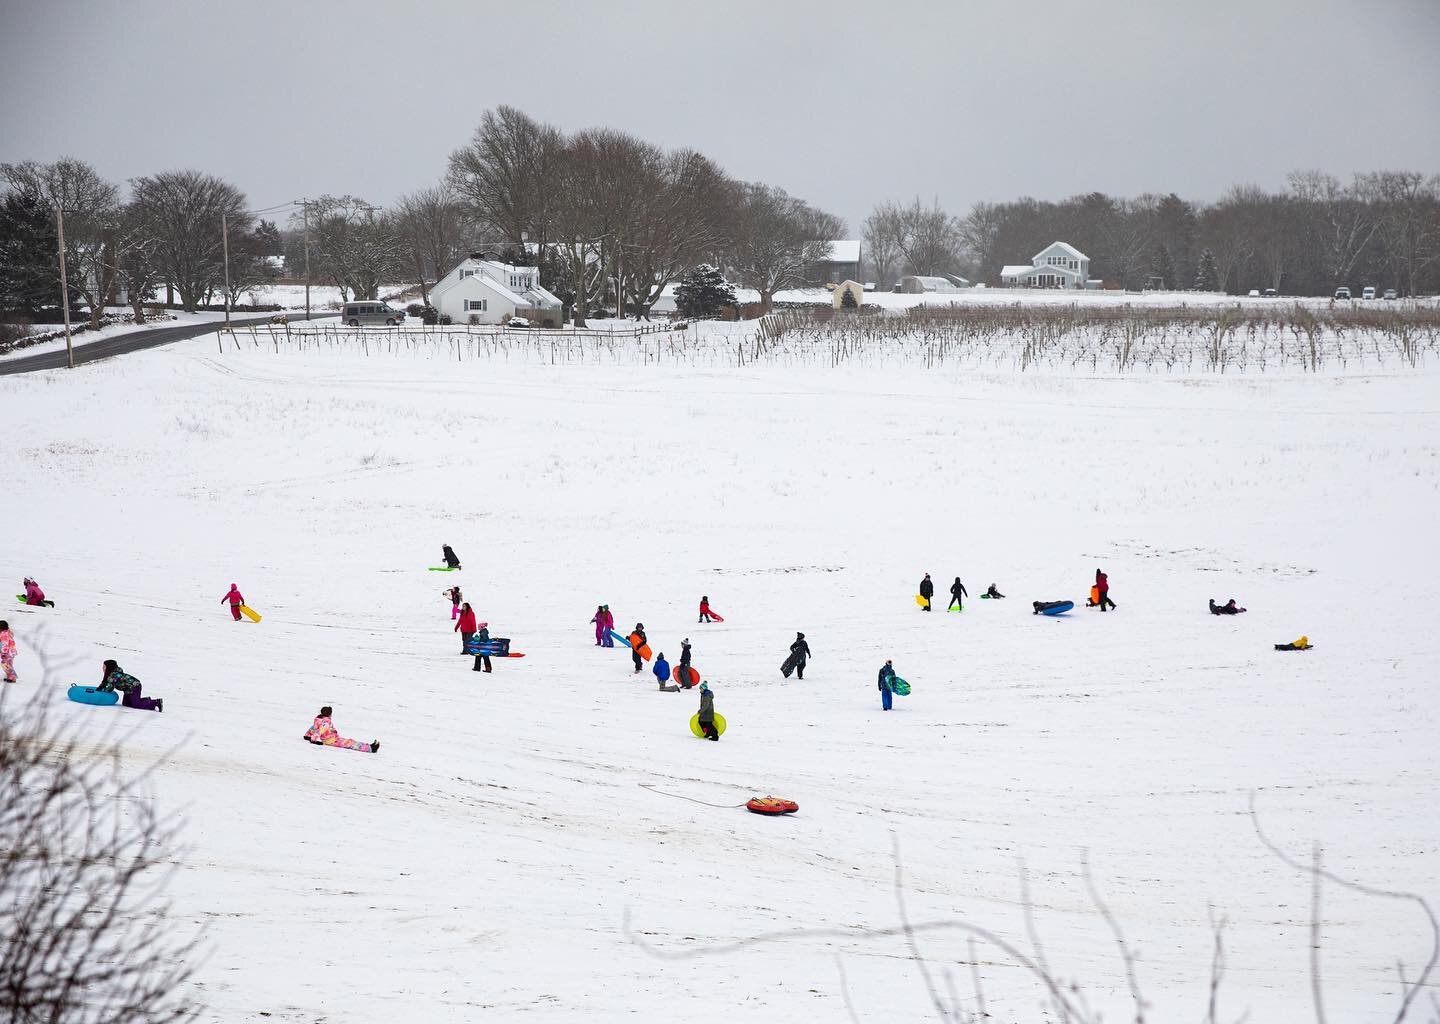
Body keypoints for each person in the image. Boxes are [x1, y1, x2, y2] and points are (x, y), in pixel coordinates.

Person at [97, 659, 163, 712]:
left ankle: (156, 702)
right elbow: (105, 683)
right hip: (128, 689)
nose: (103, 668)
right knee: (126, 704)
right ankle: (146, 700)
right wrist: (100, 688)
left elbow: (109, 689)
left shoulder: (113, 675)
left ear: (109, 668)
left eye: (104, 667)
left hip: (135, 687)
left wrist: (100, 692)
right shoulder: (111, 674)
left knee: (136, 704)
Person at [303, 706, 378, 752]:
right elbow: (320, 730)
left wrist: (308, 735)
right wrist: (314, 739)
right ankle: (371, 749)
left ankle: (369, 746)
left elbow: (313, 728)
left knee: (350, 741)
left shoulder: (318, 719)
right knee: (350, 744)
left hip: (332, 738)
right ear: (330, 714)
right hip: (331, 740)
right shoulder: (326, 722)